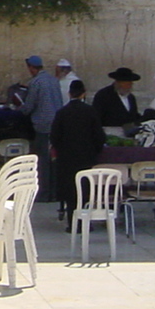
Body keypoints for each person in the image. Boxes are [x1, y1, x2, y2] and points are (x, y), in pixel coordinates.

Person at [50, 80, 104, 223]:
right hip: (86, 158)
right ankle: (85, 222)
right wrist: (95, 151)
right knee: (85, 189)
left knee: (70, 191)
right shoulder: (90, 111)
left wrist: (61, 150)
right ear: (83, 94)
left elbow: (54, 136)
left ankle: (72, 222)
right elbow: (99, 135)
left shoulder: (62, 112)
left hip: (67, 159)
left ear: (69, 94)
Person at [16, 57, 64, 196]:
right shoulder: (54, 80)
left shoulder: (36, 82)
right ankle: (55, 191)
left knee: (42, 160)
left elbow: (29, 106)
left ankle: (44, 192)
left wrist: (19, 108)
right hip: (56, 123)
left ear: (31, 67)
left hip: (42, 124)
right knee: (54, 159)